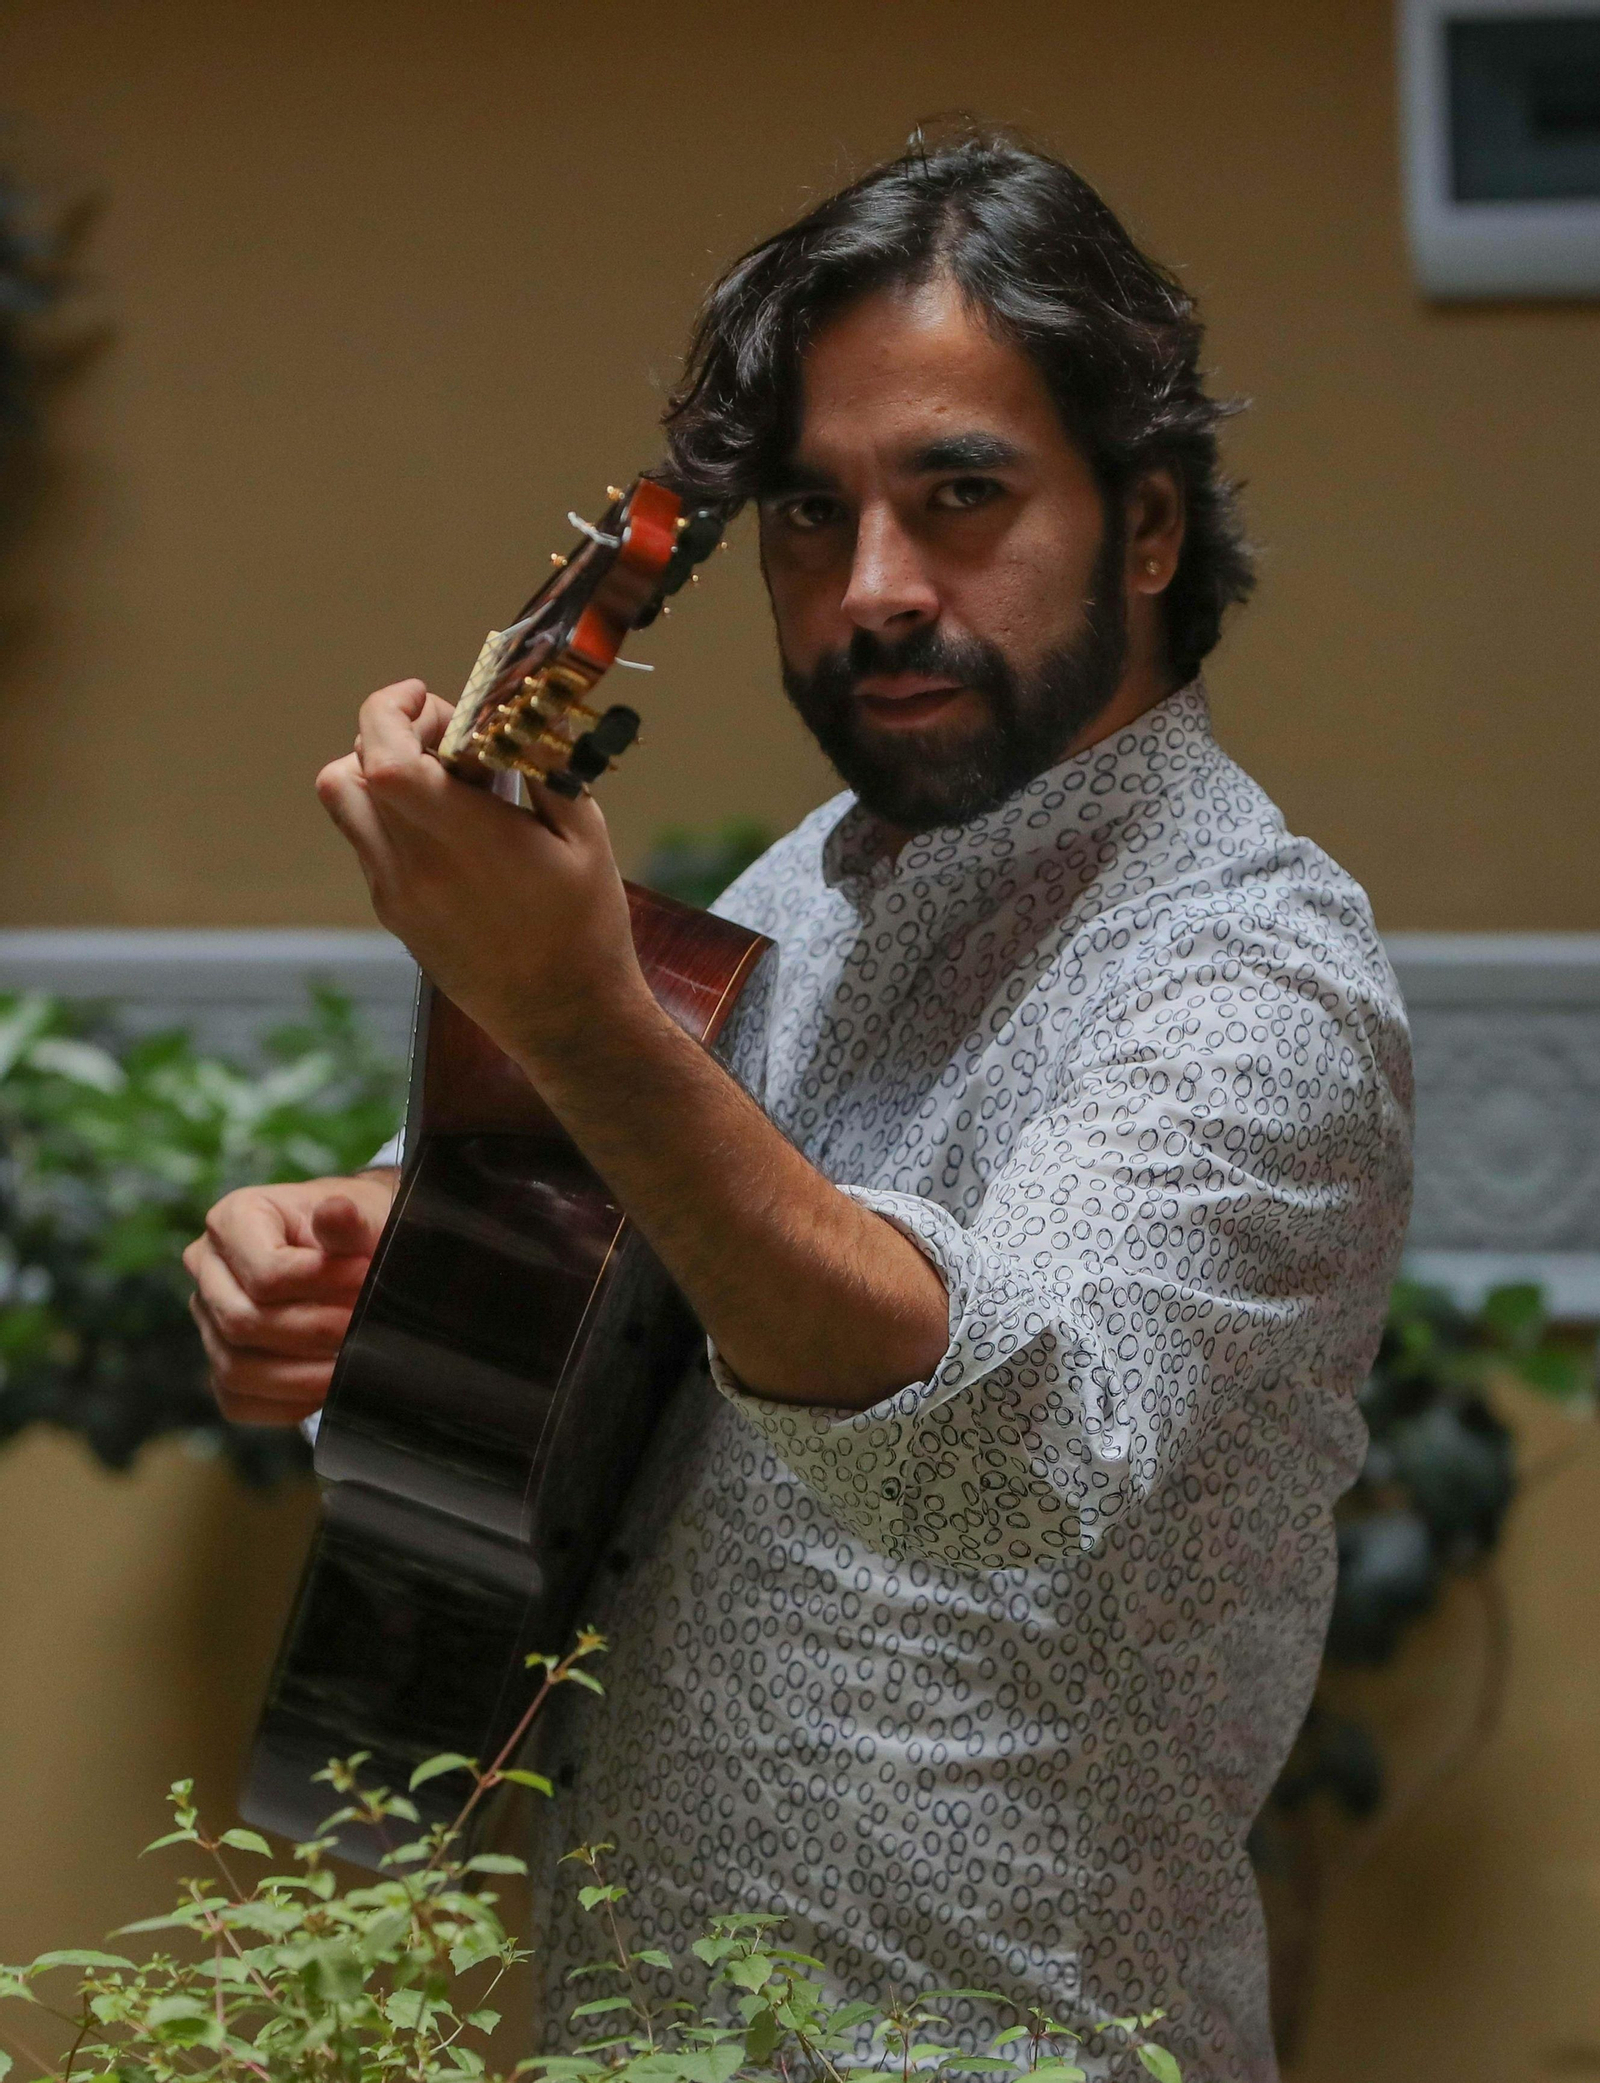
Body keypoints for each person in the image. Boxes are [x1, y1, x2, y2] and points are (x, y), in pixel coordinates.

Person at [184, 132, 1413, 2082]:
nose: (871, 590)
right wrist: (373, 1258)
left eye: (958, 497)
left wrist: (580, 1022)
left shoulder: (1251, 976)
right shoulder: (806, 887)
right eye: (806, 517)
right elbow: (642, 1246)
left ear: (1149, 528)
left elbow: (986, 1464)